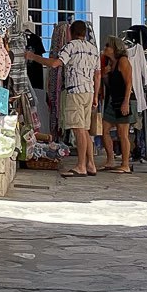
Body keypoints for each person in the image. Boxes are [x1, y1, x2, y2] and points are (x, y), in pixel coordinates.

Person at [57, 21, 100, 176]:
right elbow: (98, 74)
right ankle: (91, 165)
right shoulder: (93, 49)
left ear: (71, 32)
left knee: (79, 129)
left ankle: (81, 166)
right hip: (88, 91)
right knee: (86, 130)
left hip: (75, 91)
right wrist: (96, 95)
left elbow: (57, 63)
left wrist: (34, 57)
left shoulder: (70, 47)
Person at [99, 36, 135, 172]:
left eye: (108, 46)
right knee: (104, 130)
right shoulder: (110, 63)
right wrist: (105, 76)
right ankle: (110, 160)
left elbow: (129, 82)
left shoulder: (123, 61)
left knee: (122, 133)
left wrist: (126, 102)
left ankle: (125, 164)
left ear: (114, 48)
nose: (105, 48)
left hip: (122, 99)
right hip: (112, 100)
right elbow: (109, 85)